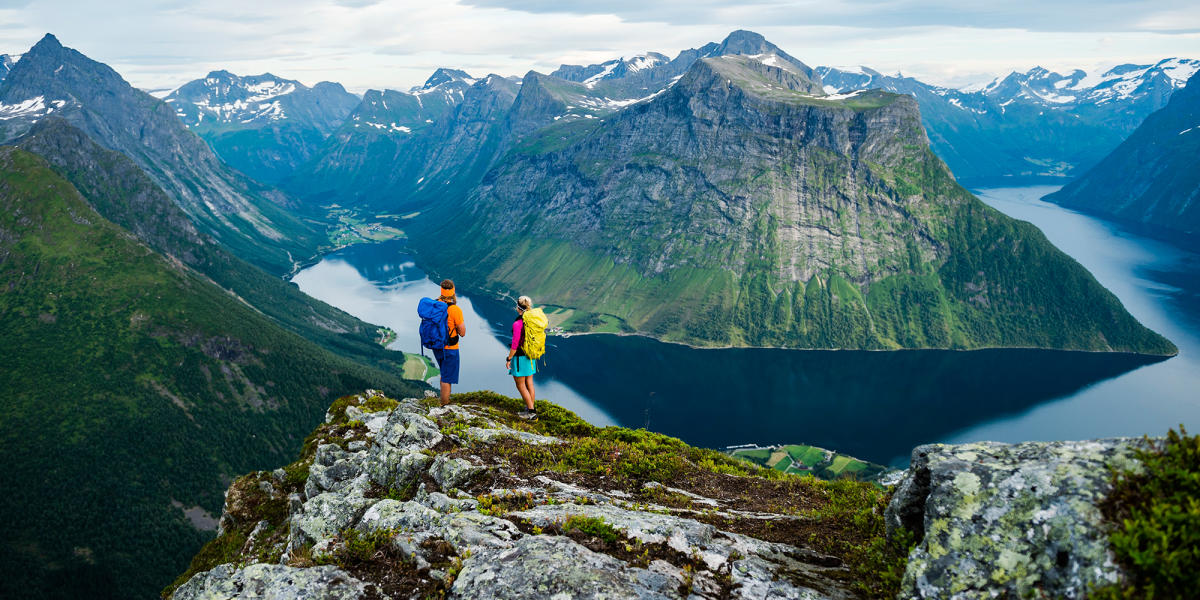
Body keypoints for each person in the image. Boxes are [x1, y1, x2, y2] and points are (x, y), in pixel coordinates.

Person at [433, 279, 465, 406]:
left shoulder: (435, 305)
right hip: (450, 348)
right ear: (453, 292)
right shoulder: (454, 310)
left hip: (437, 346)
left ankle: (444, 402)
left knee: (444, 373)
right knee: (447, 378)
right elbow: (462, 332)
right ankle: (444, 406)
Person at [506, 295, 539, 421]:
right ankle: (530, 408)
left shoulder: (518, 323)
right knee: (529, 382)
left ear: (518, 308)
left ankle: (531, 412)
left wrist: (509, 358)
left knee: (520, 384)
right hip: (531, 356)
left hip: (520, 357)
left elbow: (515, 344)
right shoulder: (532, 321)